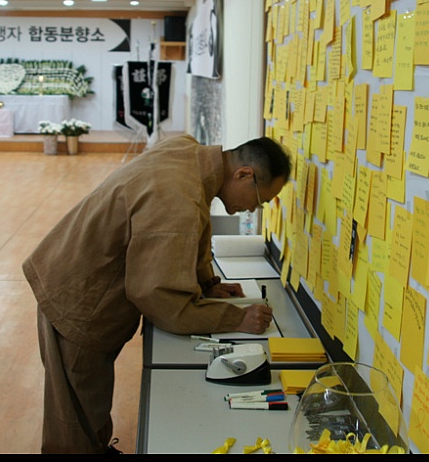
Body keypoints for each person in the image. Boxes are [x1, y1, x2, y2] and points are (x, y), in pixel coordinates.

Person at [21, 134, 292, 453]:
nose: (251, 209)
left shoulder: (190, 154)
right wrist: (238, 318)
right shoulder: (178, 194)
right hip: (79, 298)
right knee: (74, 417)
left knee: (89, 402)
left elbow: (191, 225)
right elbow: (159, 298)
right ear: (243, 174)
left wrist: (207, 284)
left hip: (78, 273)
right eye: (258, 199)